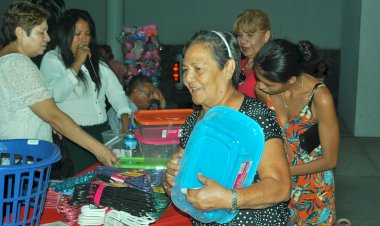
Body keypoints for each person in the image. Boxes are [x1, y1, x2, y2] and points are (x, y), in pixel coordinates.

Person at [163, 30, 291, 225]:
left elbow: (280, 187)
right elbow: (183, 188)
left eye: (198, 69)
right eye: (185, 69)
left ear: (228, 68)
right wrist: (171, 179)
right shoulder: (194, 123)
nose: (188, 78)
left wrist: (229, 198)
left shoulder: (253, 117)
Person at [0, 2, 118, 170]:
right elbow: (53, 115)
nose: (47, 38)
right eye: (41, 32)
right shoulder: (18, 64)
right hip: (20, 164)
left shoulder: (5, 59)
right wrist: (99, 150)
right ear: (20, 33)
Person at [254, 39, 339, 225]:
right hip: (276, 182)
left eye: (267, 83)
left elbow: (330, 159)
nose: (260, 86)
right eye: (259, 79)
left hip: (313, 190)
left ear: (291, 80)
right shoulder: (264, 92)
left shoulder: (320, 98)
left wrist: (286, 170)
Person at [40, 9, 132, 174]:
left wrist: (125, 115)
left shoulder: (97, 61)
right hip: (74, 137)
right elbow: (54, 94)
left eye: (87, 34)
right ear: (64, 34)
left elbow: (116, 92)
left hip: (102, 133)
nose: (83, 39)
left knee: (104, 184)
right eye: (77, 34)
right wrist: (77, 62)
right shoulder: (53, 59)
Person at [232, 9, 271, 98]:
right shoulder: (237, 64)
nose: (242, 41)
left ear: (266, 36)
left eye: (250, 35)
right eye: (239, 35)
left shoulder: (270, 68)